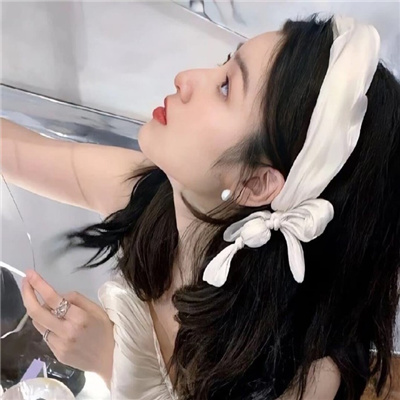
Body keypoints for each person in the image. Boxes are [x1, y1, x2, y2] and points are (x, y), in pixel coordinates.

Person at [2, 11, 399, 400]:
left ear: (256, 183)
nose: (186, 78)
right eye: (224, 62)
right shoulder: (148, 198)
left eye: (226, 87)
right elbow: (17, 152)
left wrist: (110, 361)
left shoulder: (304, 372)